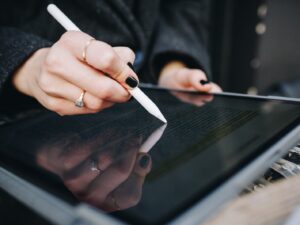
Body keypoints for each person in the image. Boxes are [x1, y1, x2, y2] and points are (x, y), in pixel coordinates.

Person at [0, 0, 221, 116]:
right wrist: (27, 65)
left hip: (146, 101)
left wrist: (171, 66)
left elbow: (181, 5)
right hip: (29, 126)